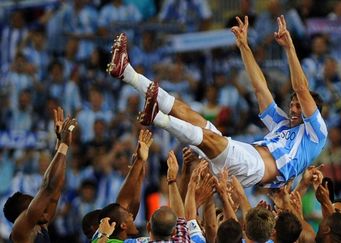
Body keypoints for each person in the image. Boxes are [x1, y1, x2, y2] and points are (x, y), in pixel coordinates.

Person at [107, 15, 327, 188]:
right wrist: (244, 46)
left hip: (255, 168)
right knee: (190, 115)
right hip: (246, 157)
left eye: (299, 105)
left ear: (312, 110)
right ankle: (128, 73)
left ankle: (157, 117)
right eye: (292, 104)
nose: (293, 108)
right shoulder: (281, 124)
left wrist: (289, 49)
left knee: (209, 137)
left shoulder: (316, 133)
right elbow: (260, 88)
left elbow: (300, 88)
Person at [3, 107, 77, 243]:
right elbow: (48, 187)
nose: (42, 207)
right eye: (34, 203)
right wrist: (64, 146)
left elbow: (56, 187)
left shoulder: (41, 224)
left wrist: (60, 144)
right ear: (23, 213)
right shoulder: (21, 229)